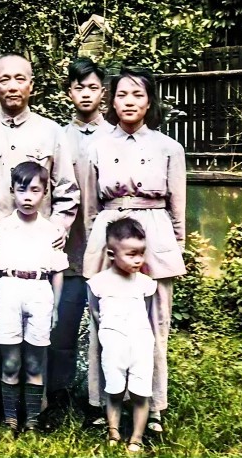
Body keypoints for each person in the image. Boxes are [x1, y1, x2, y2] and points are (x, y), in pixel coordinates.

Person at [0, 53, 79, 417]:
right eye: (5, 79)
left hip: (36, 251)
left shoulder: (51, 132)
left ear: (31, 85)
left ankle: (37, 403)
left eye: (19, 78)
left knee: (37, 329)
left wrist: (58, 228)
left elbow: (67, 190)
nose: (12, 86)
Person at [83, 67, 186, 433]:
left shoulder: (169, 147)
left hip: (154, 235)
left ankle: (153, 407)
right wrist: (98, 243)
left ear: (149, 101)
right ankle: (103, 402)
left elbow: (177, 207)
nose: (129, 102)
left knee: (155, 322)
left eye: (138, 95)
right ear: (111, 101)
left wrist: (175, 248)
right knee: (104, 322)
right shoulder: (97, 146)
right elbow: (91, 207)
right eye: (122, 94)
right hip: (110, 231)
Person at [0, 162, 68, 432]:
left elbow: (58, 272)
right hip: (9, 289)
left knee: (34, 361)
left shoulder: (52, 231)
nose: (27, 197)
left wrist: (54, 307)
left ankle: (31, 420)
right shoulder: (2, 228)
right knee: (11, 362)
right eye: (21, 190)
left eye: (35, 190)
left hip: (39, 292)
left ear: (45, 193)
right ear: (12, 191)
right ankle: (10, 419)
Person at [47, 57, 111, 406]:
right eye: (78, 87)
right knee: (62, 327)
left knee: (109, 326)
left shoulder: (114, 136)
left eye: (92, 87)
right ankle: (58, 392)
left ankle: (104, 397)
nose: (86, 94)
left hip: (106, 248)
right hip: (68, 250)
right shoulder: (57, 136)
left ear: (103, 92)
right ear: (68, 92)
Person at [88, 218, 156, 453]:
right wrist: (111, 332)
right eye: (131, 254)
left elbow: (146, 312)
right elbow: (95, 312)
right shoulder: (98, 283)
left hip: (140, 343)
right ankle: (113, 431)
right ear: (111, 254)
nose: (138, 259)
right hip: (113, 343)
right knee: (114, 389)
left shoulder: (145, 284)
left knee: (140, 391)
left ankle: (136, 437)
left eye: (141, 253)